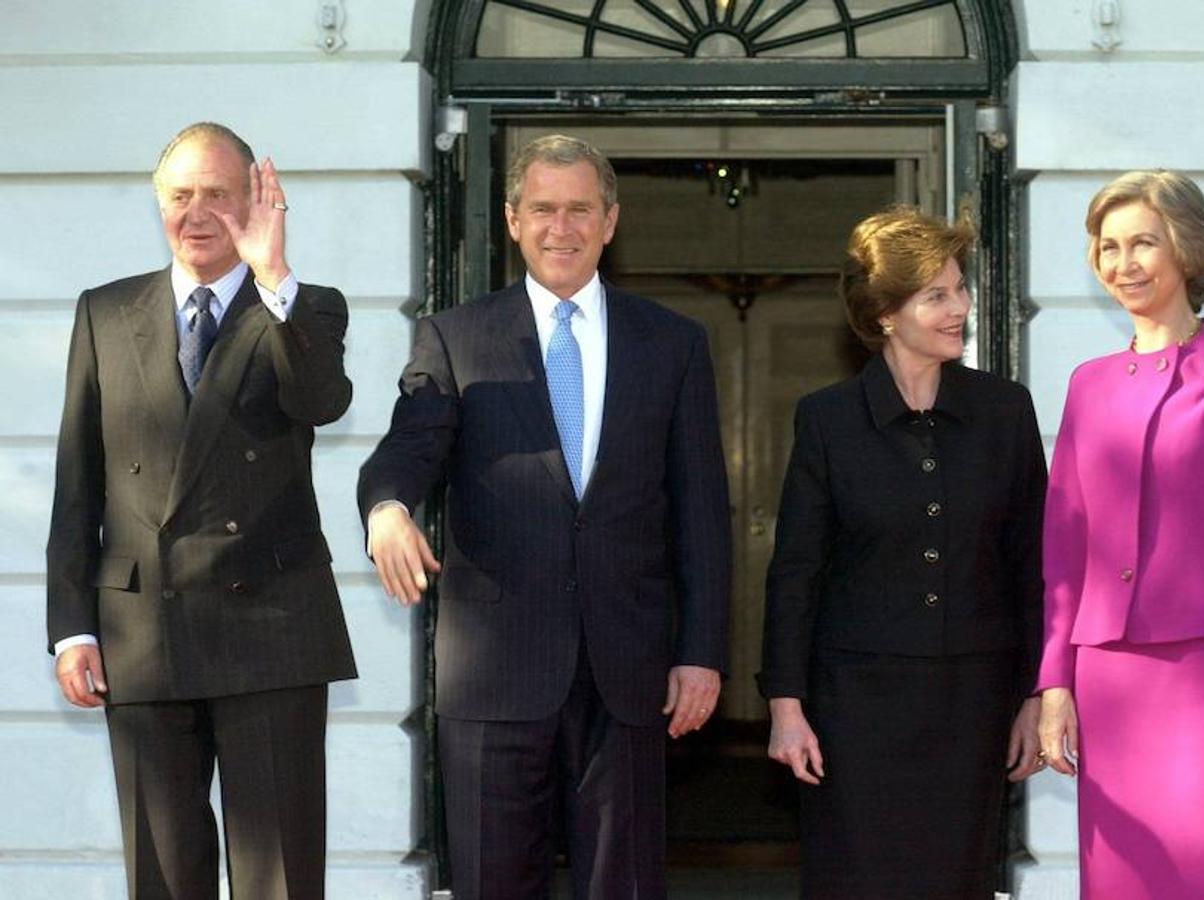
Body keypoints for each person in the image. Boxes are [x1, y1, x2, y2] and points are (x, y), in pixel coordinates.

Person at [357, 134, 731, 900]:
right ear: (511, 220)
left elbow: (700, 511)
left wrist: (702, 651)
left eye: (579, 210)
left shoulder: (673, 344)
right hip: (494, 670)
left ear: (610, 220)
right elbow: (408, 447)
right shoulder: (455, 337)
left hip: (628, 671)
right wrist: (388, 507)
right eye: (542, 210)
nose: (561, 227)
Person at [46, 121, 357, 898]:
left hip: (272, 631)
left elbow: (321, 400)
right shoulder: (105, 313)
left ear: (254, 201)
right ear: (158, 204)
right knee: (162, 875)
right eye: (180, 195)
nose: (196, 212)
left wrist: (273, 272)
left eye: (217, 194)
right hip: (142, 630)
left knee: (276, 877)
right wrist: (72, 627)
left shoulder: (303, 307)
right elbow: (77, 481)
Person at [1036, 169, 1204, 899]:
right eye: (1106, 247)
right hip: (1108, 675)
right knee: (1123, 877)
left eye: (1141, 243)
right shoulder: (1086, 384)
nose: (1122, 263)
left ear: (1186, 251)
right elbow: (1064, 548)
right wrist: (1054, 683)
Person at [759, 205, 1047, 899]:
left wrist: (1038, 694)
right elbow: (796, 570)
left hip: (974, 703)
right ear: (886, 313)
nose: (961, 307)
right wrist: (785, 706)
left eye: (959, 288)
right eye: (936, 295)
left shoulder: (1005, 411)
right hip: (853, 708)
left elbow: (1033, 565)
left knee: (956, 877)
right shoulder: (826, 419)